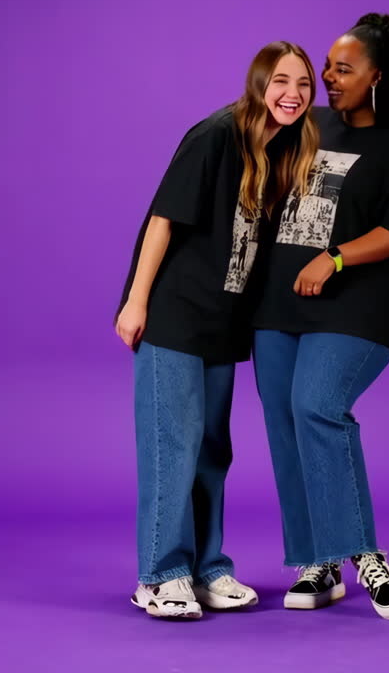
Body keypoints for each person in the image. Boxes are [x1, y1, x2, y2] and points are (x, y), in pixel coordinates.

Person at [115, 41, 319, 619]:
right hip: (174, 317)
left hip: (223, 325)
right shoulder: (214, 135)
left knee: (211, 451)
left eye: (304, 85)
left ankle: (206, 570)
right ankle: (160, 575)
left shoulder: (285, 148)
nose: (293, 95)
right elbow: (162, 219)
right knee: (171, 445)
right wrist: (135, 303)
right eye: (281, 81)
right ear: (258, 83)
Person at [252, 14, 389, 620]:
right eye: (326, 66)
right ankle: (318, 561)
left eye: (343, 69)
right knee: (286, 424)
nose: (327, 78)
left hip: (357, 306)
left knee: (317, 405)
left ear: (378, 75)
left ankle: (363, 554)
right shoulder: (310, 122)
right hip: (278, 302)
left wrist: (333, 258)